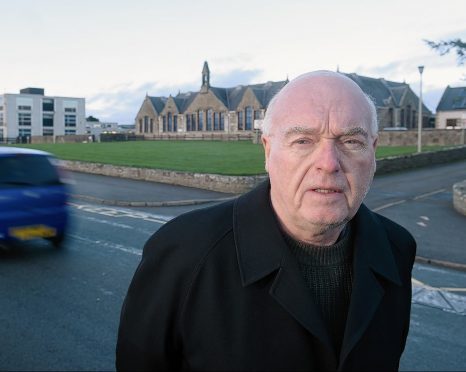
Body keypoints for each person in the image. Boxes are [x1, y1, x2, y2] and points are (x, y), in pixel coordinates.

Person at [116, 71, 416, 371]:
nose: (328, 163)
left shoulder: (397, 248)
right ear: (267, 150)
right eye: (303, 141)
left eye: (351, 141)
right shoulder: (182, 253)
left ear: (373, 152)